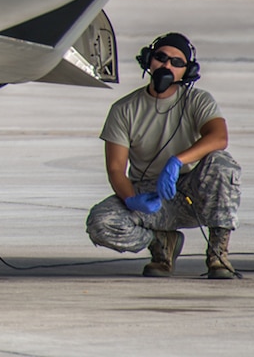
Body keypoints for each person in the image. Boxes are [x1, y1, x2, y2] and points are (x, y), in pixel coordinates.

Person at [84, 32, 240, 279]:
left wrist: (177, 160)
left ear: (187, 72)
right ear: (149, 60)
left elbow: (219, 137)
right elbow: (116, 169)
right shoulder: (124, 109)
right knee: (100, 223)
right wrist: (131, 199)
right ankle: (160, 243)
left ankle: (218, 254)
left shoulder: (197, 100)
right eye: (161, 58)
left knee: (222, 163)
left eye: (177, 62)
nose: (167, 66)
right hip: (151, 196)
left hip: (193, 194)